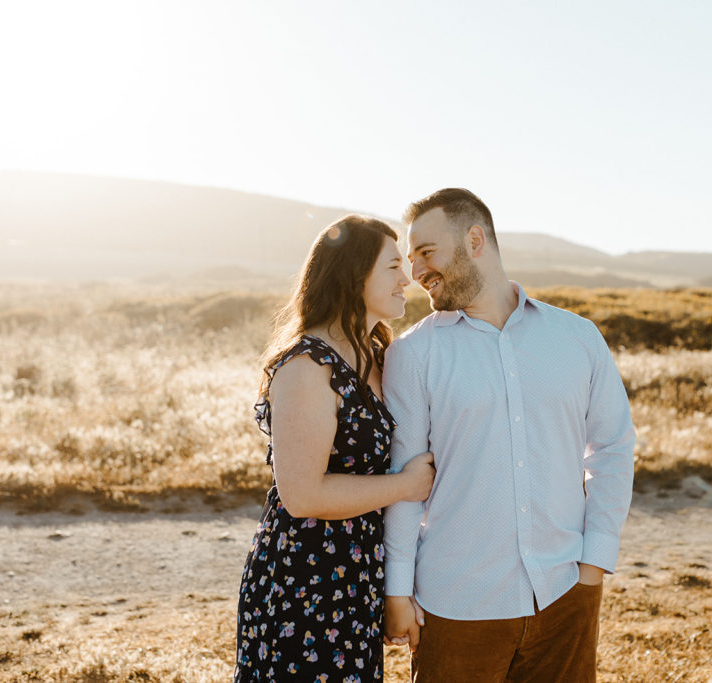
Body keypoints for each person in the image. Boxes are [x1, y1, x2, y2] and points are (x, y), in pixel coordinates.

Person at [382, 189, 635, 682]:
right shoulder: (412, 356)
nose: (416, 273)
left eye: (427, 253)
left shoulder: (577, 338)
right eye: (410, 259)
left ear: (475, 239)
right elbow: (404, 483)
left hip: (565, 595)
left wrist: (593, 566)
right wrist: (397, 590)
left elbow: (611, 448)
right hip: (456, 606)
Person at [234, 215, 436, 682]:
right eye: (392, 267)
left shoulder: (376, 354)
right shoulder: (309, 366)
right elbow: (302, 495)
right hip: (304, 582)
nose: (407, 279)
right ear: (354, 273)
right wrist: (404, 487)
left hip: (355, 577)